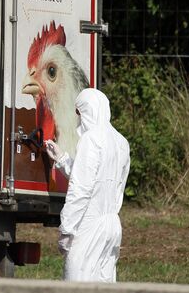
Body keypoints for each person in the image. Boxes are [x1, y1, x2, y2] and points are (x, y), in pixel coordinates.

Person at [50, 88, 130, 282]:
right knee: (104, 286)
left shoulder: (91, 139)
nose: (78, 118)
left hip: (90, 227)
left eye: (79, 112)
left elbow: (81, 189)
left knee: (76, 287)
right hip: (112, 226)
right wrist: (62, 159)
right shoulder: (121, 141)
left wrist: (67, 229)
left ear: (87, 111)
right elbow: (102, 180)